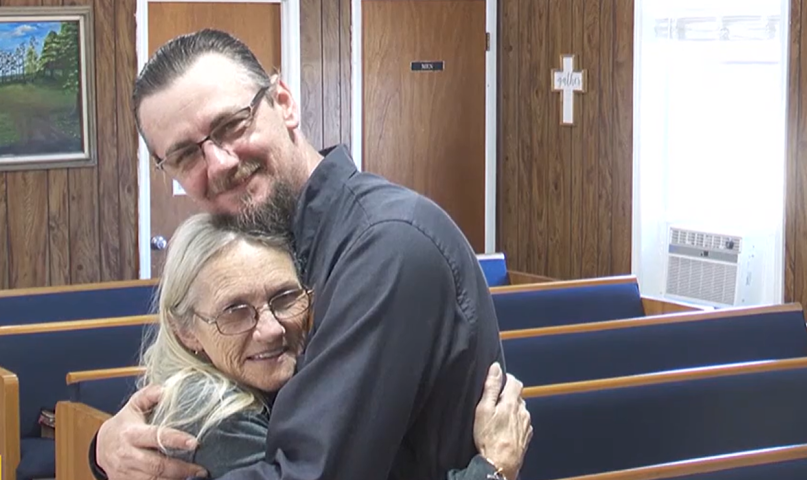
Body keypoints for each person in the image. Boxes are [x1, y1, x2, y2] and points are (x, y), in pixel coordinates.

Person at [91, 28, 519, 480]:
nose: (219, 163)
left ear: (284, 103)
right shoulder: (273, 240)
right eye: (184, 156)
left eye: (231, 126)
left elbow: (310, 473)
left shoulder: (384, 248)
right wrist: (108, 447)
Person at [140, 212, 531, 479]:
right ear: (185, 331)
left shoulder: (285, 384)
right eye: (235, 312)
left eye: (284, 297)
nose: (271, 329)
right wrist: (492, 468)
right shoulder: (211, 418)